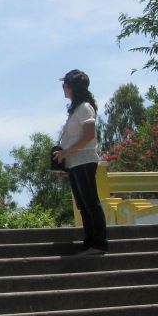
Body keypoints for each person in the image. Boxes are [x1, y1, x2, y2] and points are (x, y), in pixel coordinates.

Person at [54, 69, 107, 256]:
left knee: (90, 202)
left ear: (72, 87)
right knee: (83, 204)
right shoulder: (76, 109)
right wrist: (66, 163)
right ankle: (89, 242)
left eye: (65, 85)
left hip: (84, 160)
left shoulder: (85, 107)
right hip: (75, 163)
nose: (63, 88)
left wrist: (66, 152)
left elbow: (89, 136)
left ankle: (99, 243)